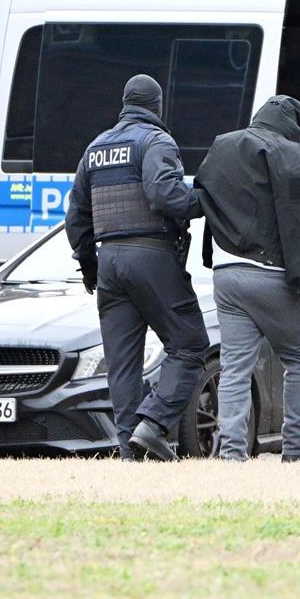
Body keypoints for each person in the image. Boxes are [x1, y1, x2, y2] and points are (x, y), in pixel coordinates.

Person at [65, 74, 209, 462]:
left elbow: (77, 217)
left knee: (122, 362)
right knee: (191, 345)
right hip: (151, 255)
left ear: (125, 103)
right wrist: (204, 201)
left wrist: (90, 267)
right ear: (157, 106)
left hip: (109, 259)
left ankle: (131, 449)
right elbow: (166, 195)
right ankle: (154, 423)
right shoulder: (155, 141)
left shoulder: (95, 149)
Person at [195, 95, 300, 463]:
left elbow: (203, 195)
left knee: (236, 366)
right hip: (273, 275)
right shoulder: (298, 157)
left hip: (226, 274)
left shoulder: (223, 145)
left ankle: (232, 452)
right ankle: (297, 448)